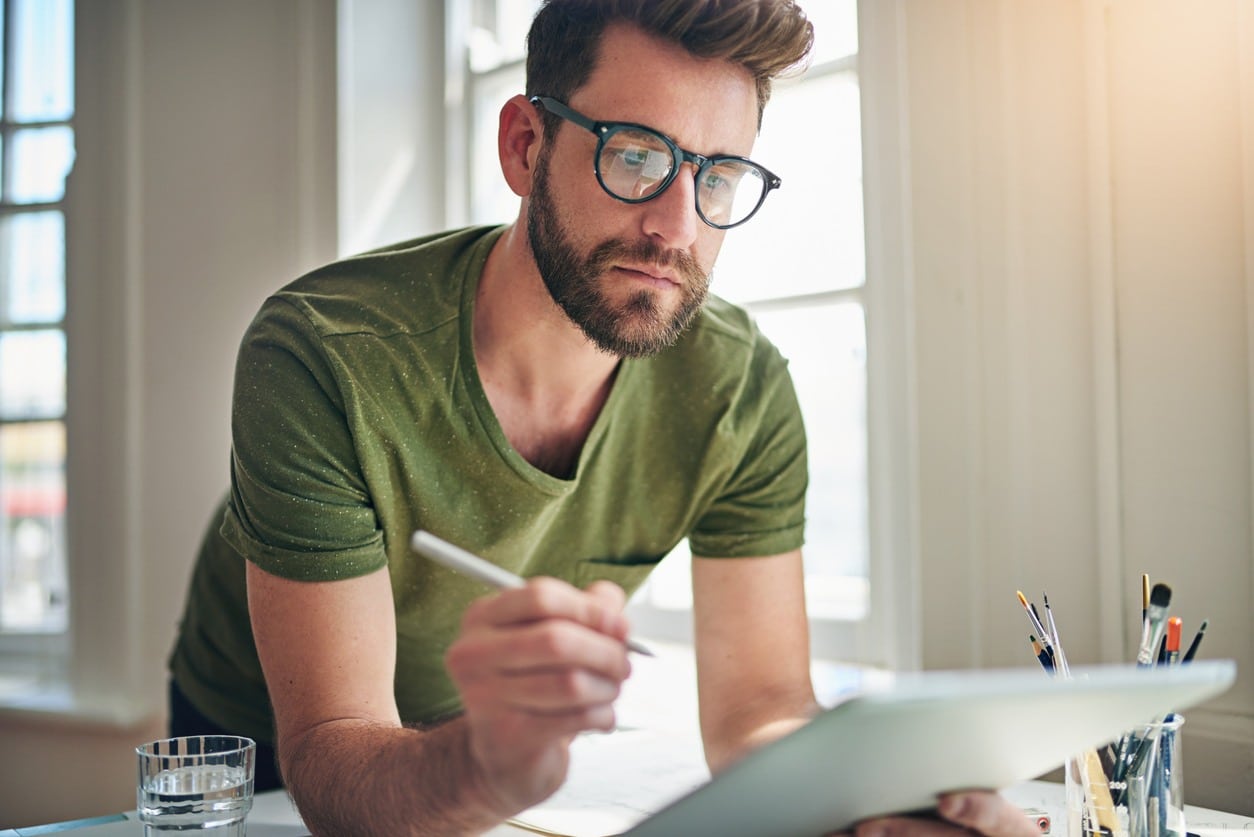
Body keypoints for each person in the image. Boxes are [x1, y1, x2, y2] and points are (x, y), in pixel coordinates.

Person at [168, 1, 1040, 834]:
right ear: (523, 144)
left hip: (478, 741)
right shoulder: (325, 353)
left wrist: (882, 804)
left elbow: (759, 712)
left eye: (719, 175)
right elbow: (329, 750)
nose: (675, 227)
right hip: (256, 755)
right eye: (634, 157)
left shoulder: (740, 391)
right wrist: (487, 764)